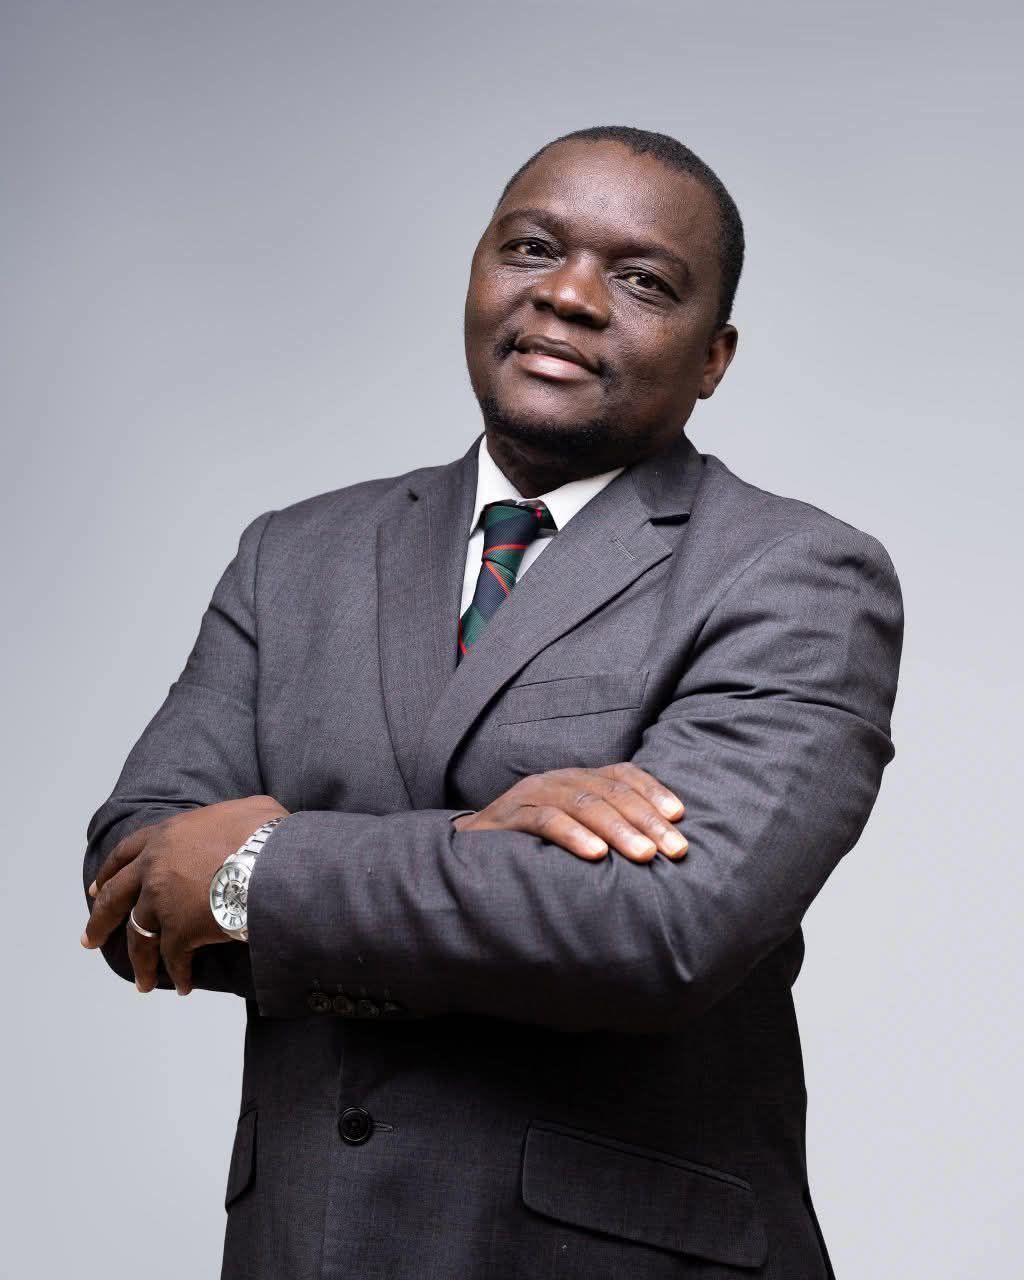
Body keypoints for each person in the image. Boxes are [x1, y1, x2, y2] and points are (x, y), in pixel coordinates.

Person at [81, 124, 903, 1279]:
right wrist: (484, 841)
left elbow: (658, 928)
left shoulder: (794, 573)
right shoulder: (292, 555)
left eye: (642, 279)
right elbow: (135, 881)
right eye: (531, 247)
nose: (567, 294)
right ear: (475, 272)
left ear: (713, 357)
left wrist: (257, 869)